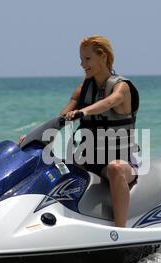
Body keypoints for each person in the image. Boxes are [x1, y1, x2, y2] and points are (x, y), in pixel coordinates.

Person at [61, 35, 140, 228]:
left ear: (102, 57)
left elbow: (110, 102)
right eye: (81, 60)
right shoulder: (82, 90)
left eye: (87, 59)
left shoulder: (121, 87)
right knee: (56, 168)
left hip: (122, 160)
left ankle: (120, 231)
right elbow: (61, 118)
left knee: (115, 168)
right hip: (89, 160)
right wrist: (33, 137)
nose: (82, 64)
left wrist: (84, 111)